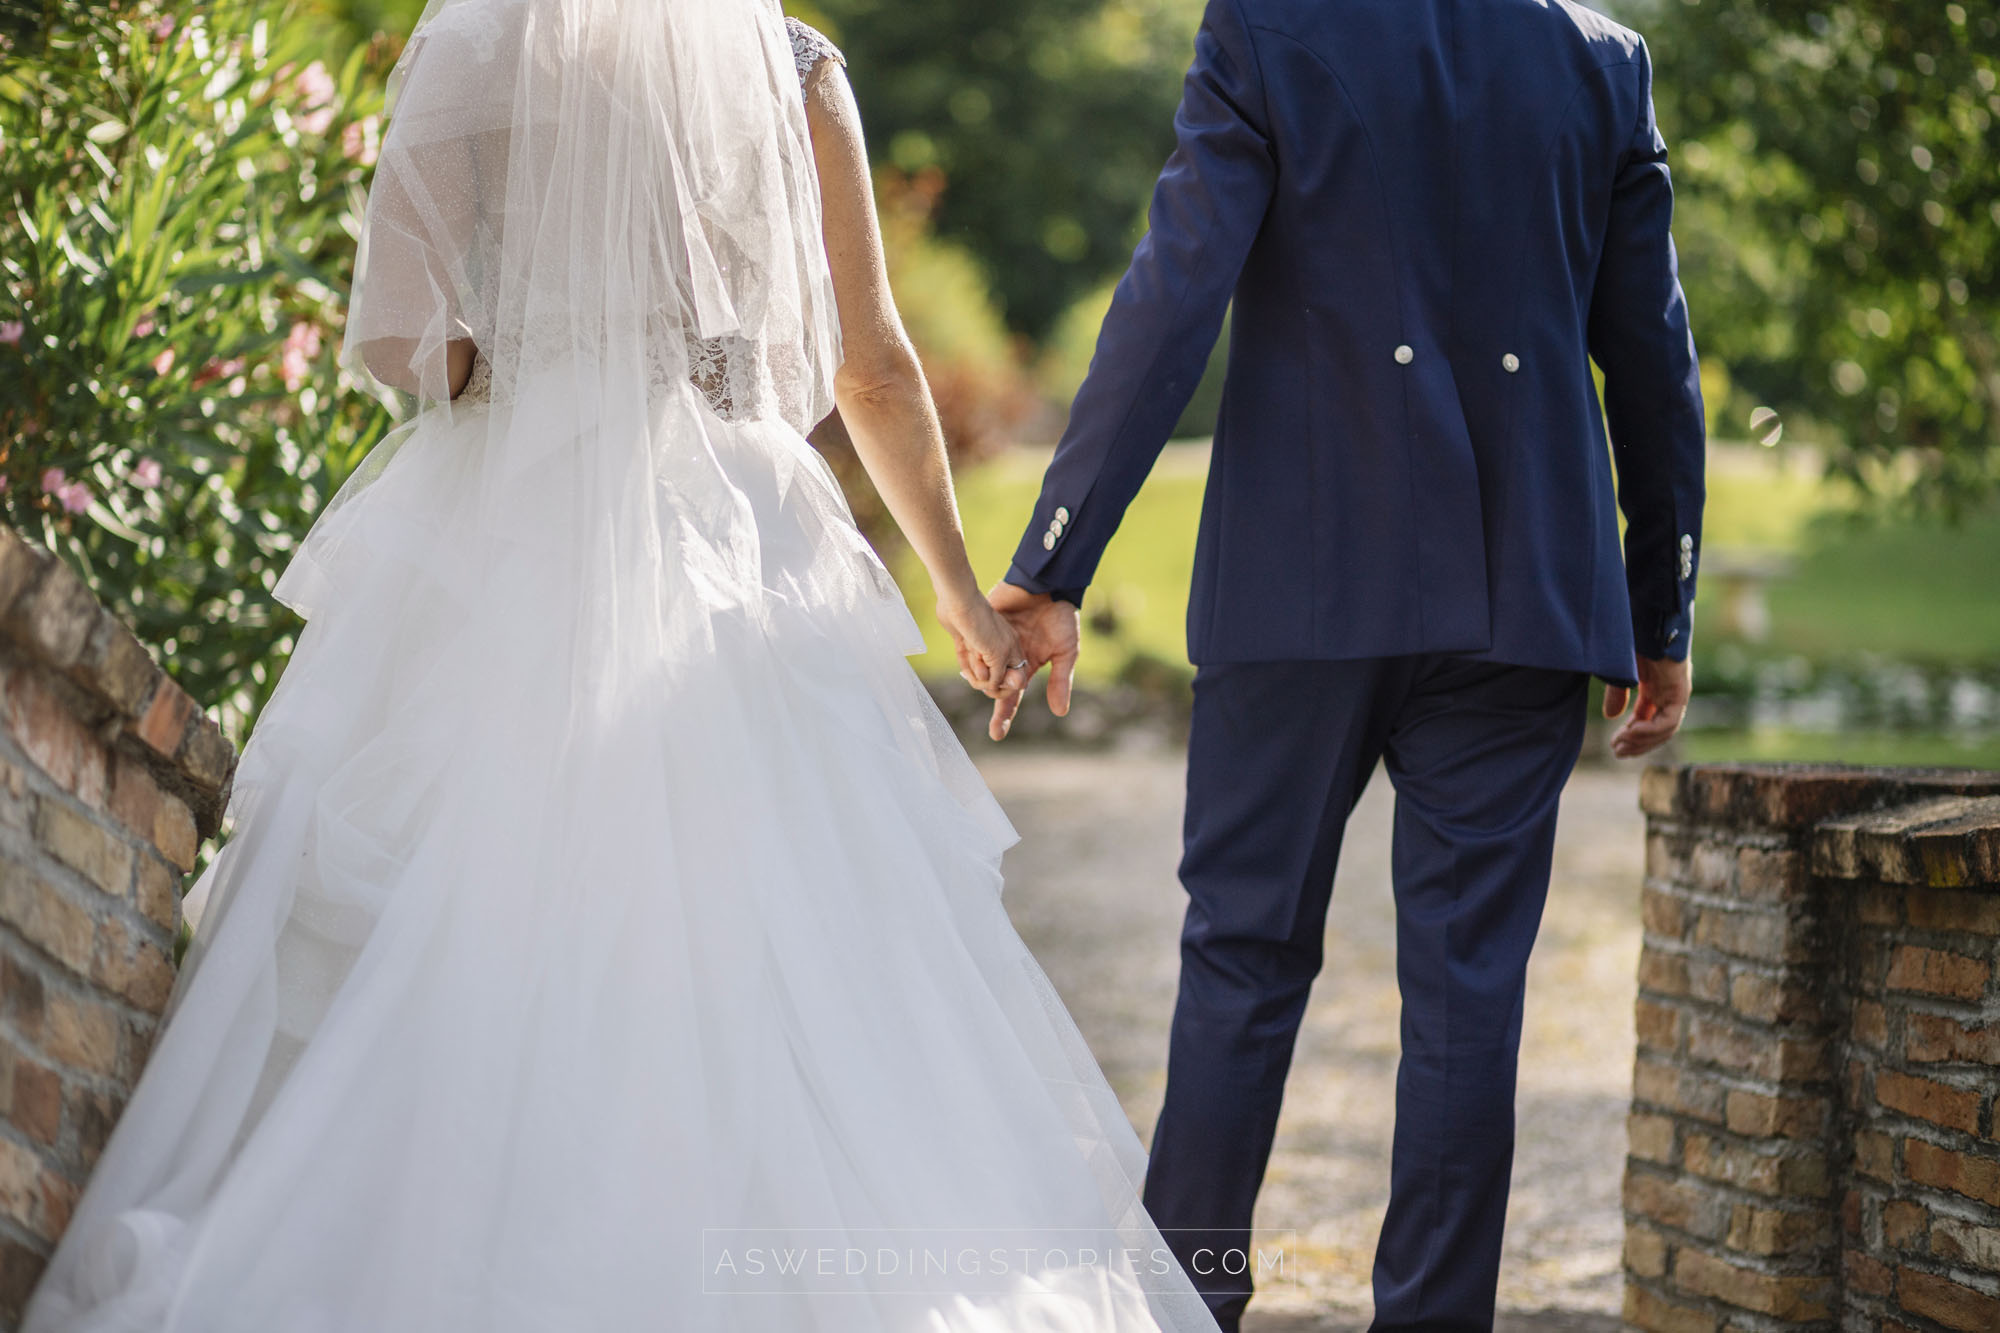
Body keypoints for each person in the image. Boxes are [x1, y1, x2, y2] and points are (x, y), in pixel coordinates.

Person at [22, 4, 1215, 1330]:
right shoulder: (796, 65)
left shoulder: (479, 41)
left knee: (458, 875)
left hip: (509, 507)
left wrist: (540, 357)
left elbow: (406, 335)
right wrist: (958, 594)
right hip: (734, 526)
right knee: (775, 916)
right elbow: (869, 367)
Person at [987, 0, 1706, 1329]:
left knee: (1244, 959)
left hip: (1298, 584)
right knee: (1468, 995)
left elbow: (1173, 292)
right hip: (1520, 604)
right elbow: (1653, 354)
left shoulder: (1269, 30)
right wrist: (1661, 608)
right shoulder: (1600, 62)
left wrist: (1058, 555)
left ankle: (1188, 1307)